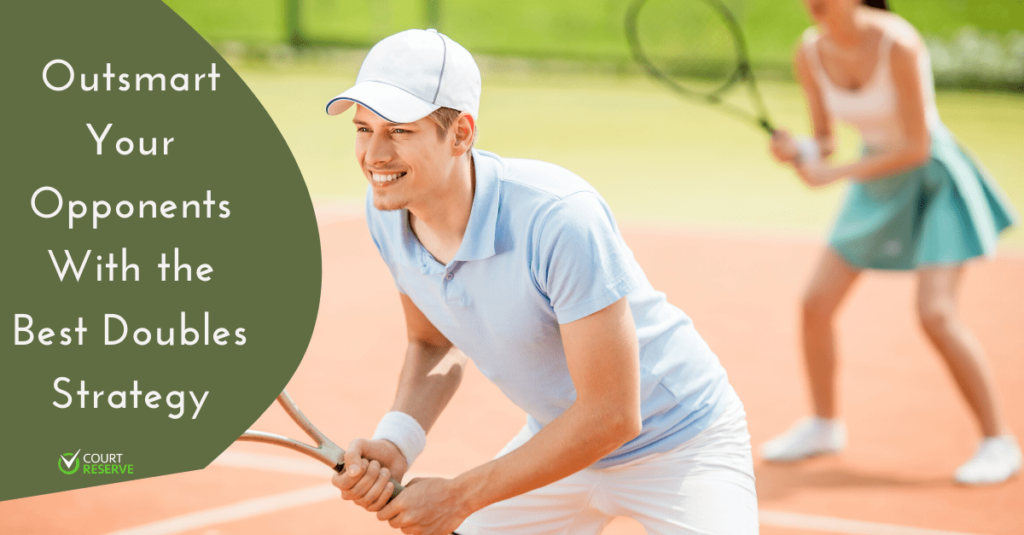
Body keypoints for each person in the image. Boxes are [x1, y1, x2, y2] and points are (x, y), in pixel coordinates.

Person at [324, 29, 758, 534]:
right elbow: (432, 340)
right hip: (561, 441)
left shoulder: (559, 218)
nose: (374, 155)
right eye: (363, 128)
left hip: (683, 443)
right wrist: (398, 440)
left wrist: (459, 497)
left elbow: (613, 416)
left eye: (399, 131)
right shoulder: (389, 212)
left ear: (461, 133)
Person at [764, 0, 1020, 485]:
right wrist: (797, 151)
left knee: (936, 314)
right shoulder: (810, 52)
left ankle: (998, 442)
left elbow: (915, 146)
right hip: (875, 178)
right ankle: (823, 427)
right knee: (815, 304)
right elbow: (824, 140)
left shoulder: (898, 43)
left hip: (933, 180)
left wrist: (834, 174)